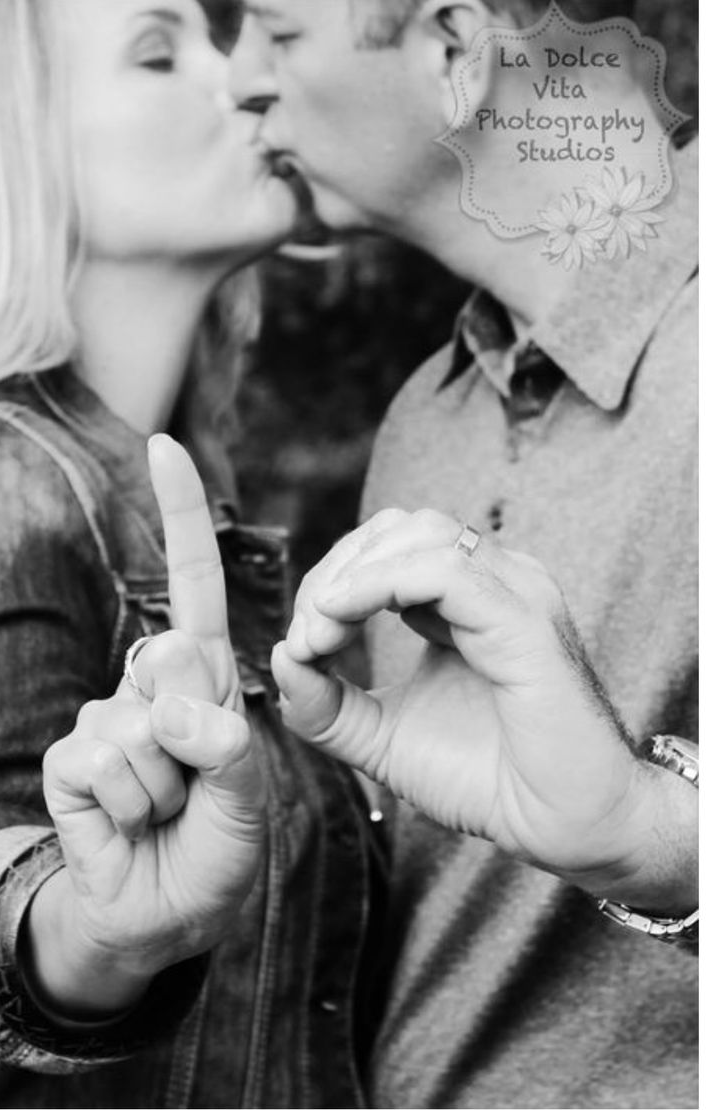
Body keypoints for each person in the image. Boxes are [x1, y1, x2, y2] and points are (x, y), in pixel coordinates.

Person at [230, 0, 698, 1106]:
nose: (239, 81)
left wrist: (657, 840)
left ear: (453, 47)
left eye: (278, 32)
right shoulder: (422, 422)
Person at [0, 2, 384, 1106]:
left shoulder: (176, 515)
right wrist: (87, 942)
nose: (240, 74)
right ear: (16, 144)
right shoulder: (4, 491)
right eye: (160, 53)